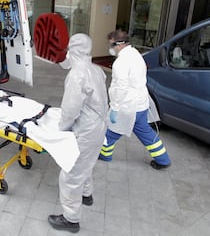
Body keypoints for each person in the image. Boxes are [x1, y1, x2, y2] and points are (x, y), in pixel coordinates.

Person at [48, 33, 108, 233]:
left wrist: (61, 130)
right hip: (99, 126)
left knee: (71, 173)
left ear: (72, 50)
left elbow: (71, 109)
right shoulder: (95, 70)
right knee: (87, 163)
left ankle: (71, 219)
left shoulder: (77, 74)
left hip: (87, 129)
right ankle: (87, 195)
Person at [98, 29, 171, 170]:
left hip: (127, 106)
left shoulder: (121, 62)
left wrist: (115, 108)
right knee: (145, 132)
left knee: (111, 132)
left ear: (119, 44)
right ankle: (163, 159)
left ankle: (105, 155)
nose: (110, 48)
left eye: (111, 45)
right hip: (141, 103)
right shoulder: (136, 54)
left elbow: (121, 87)